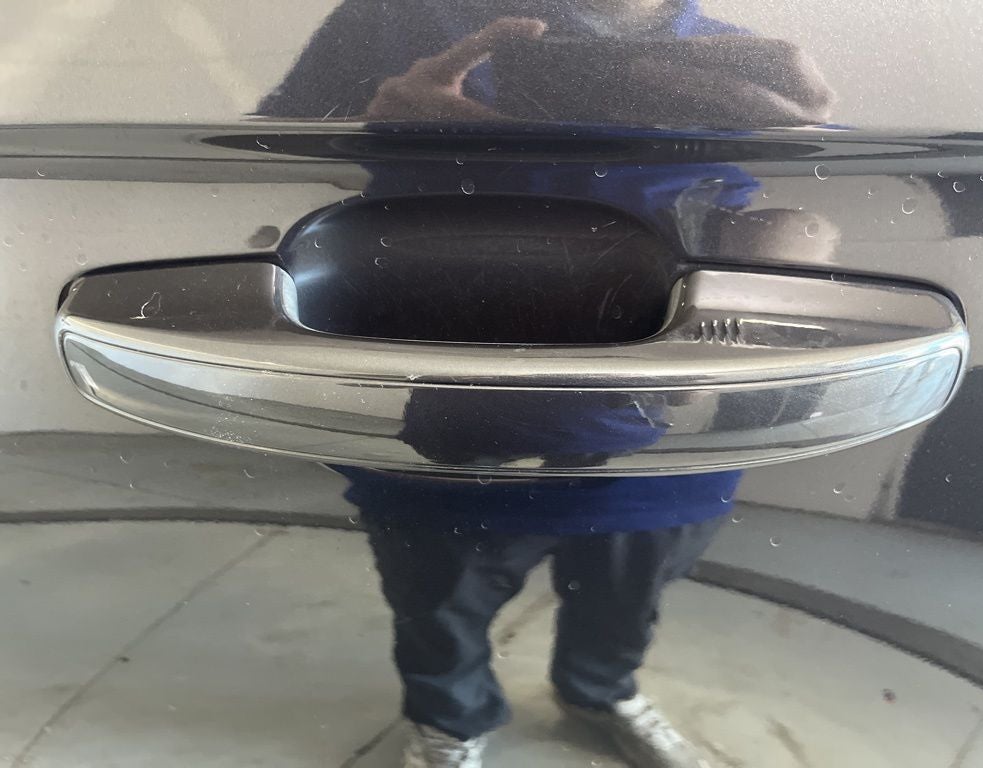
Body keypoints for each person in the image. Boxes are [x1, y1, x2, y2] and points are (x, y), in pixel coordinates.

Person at [259, 2, 834, 766]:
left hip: (665, 397)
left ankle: (600, 690)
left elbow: (800, 214)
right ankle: (450, 719)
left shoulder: (740, 57)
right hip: (457, 376)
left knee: (633, 578)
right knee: (435, 584)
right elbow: (263, 168)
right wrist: (372, 133)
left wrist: (810, 156)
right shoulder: (390, 14)